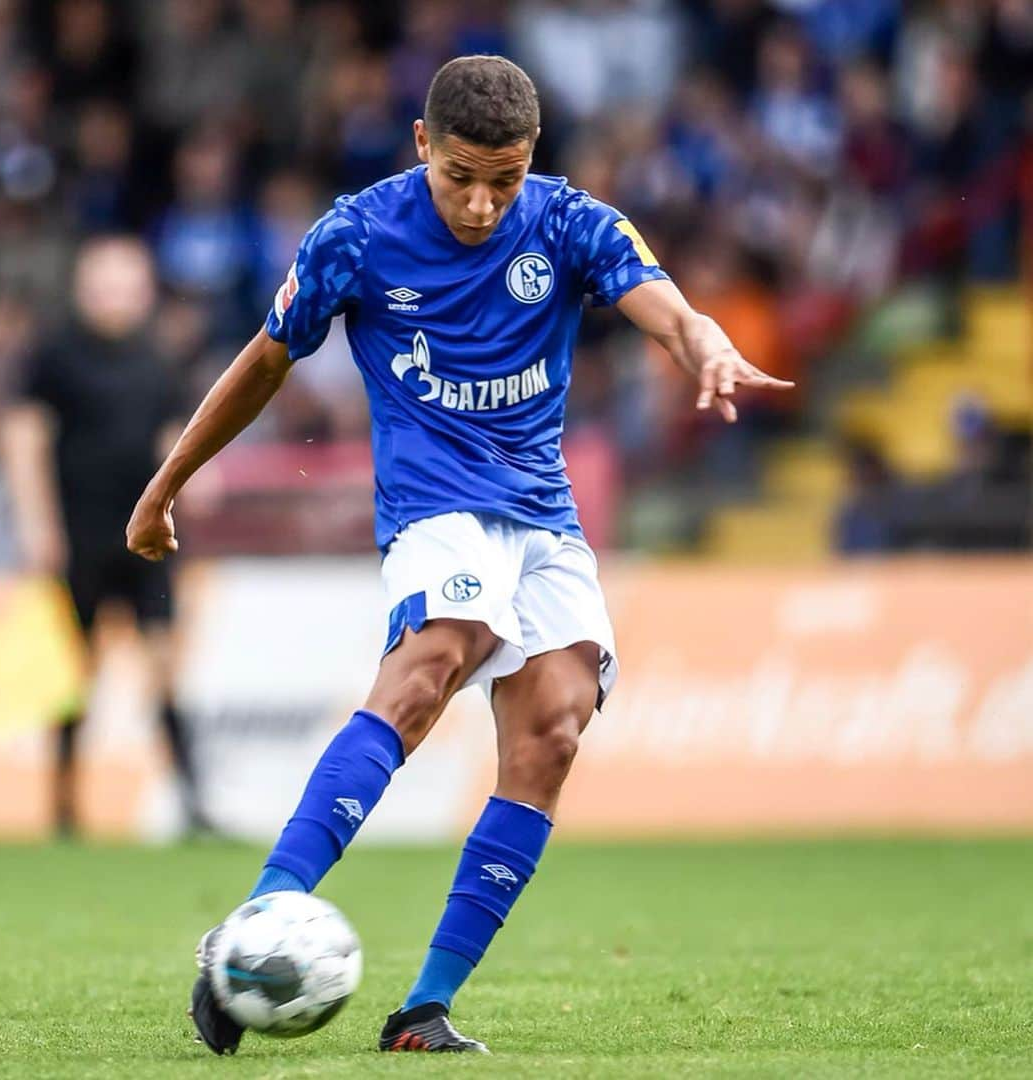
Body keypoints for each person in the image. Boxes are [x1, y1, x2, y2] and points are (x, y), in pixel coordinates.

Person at [126, 56, 793, 1055]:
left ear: (532, 164)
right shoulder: (356, 235)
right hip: (437, 507)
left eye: (505, 180)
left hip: (543, 516)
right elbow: (265, 361)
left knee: (555, 732)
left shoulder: (571, 222)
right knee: (446, 648)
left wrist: (697, 339)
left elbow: (655, 297)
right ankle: (257, 919)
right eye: (462, 178)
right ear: (422, 146)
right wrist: (169, 481)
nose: (482, 205)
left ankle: (424, 1010)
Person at [3, 235, 205, 836]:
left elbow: (179, 439)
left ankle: (192, 801)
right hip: (80, 537)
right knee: (74, 673)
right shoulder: (54, 355)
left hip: (148, 540)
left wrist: (189, 498)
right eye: (105, 283)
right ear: (83, 287)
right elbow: (23, 440)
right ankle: (64, 807)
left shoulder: (160, 359)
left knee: (167, 666)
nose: (116, 296)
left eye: (126, 284)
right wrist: (37, 524)